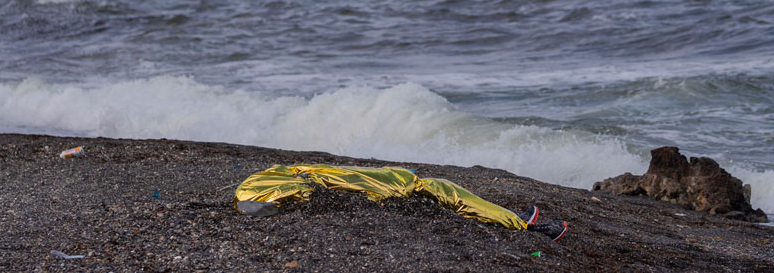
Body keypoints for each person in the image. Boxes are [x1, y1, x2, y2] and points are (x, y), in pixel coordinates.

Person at [234, 163, 568, 241]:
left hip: (313, 178)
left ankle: (518, 221)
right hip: (374, 184)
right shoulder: (274, 182)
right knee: (439, 188)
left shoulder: (258, 184)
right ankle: (524, 224)